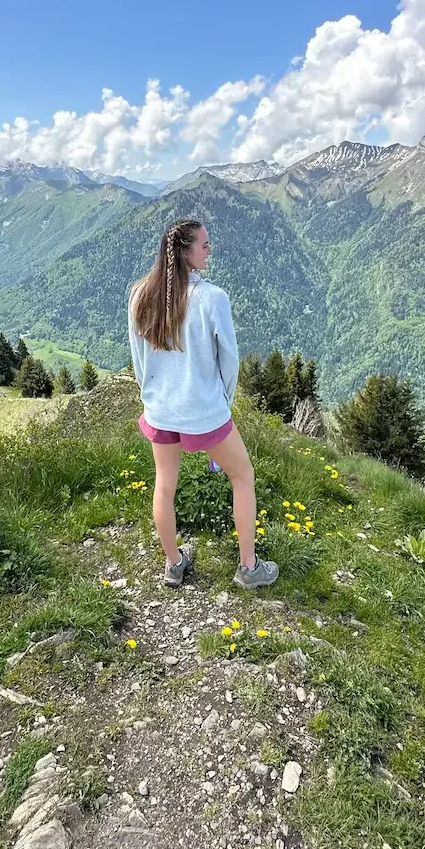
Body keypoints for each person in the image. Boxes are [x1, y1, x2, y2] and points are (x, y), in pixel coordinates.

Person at [126, 218, 279, 591]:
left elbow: (139, 360)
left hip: (161, 408)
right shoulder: (212, 298)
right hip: (203, 411)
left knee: (164, 486)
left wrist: (152, 395)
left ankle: (174, 564)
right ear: (185, 252)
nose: (210, 250)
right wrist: (223, 401)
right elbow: (229, 359)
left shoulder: (141, 294)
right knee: (242, 476)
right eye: (205, 245)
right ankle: (248, 567)